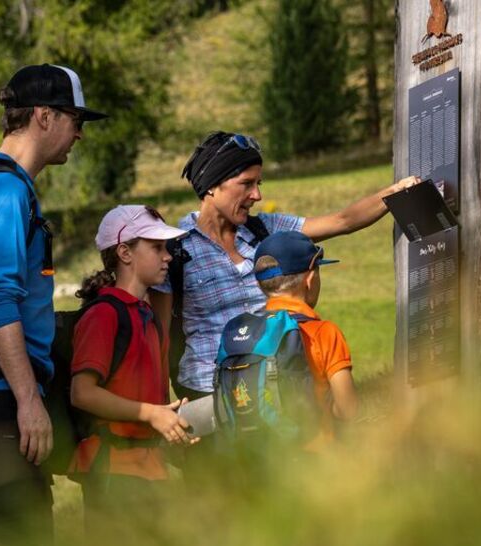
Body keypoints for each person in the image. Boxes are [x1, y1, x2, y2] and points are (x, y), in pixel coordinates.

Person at [0, 64, 108, 546]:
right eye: (75, 119)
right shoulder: (5, 191)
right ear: (43, 116)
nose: (79, 133)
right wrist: (28, 400)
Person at [151, 131, 419, 403]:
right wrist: (161, 412)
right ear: (211, 185)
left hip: (277, 387)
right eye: (246, 183)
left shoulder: (264, 228)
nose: (257, 194)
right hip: (209, 394)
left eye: (258, 183)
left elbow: (343, 221)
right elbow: (159, 341)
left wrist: (393, 194)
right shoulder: (174, 249)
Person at [68, 205, 199, 544]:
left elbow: (144, 399)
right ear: (124, 252)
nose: (167, 256)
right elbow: (82, 392)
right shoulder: (103, 315)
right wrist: (151, 414)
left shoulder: (147, 316)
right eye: (156, 247)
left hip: (151, 471)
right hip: (114, 474)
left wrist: (168, 418)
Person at [251, 231, 358, 452]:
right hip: (315, 457)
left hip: (261, 459)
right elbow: (348, 409)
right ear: (310, 279)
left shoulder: (249, 330)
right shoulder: (324, 333)